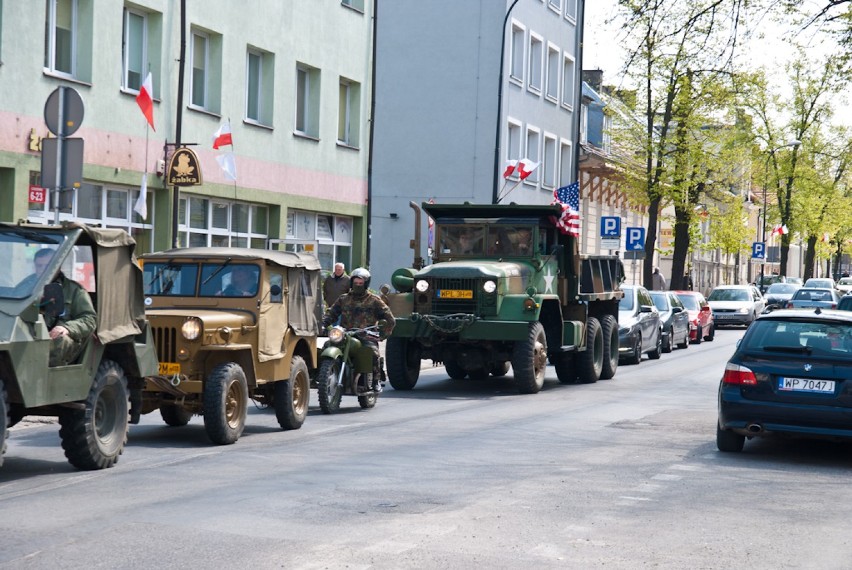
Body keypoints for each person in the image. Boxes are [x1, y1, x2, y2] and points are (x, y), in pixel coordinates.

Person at [322, 268, 395, 391]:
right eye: (355, 283)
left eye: (360, 283)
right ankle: (323, 376)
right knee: (326, 346)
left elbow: (390, 319)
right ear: (351, 283)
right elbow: (332, 313)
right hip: (345, 334)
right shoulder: (344, 299)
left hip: (365, 335)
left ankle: (375, 380)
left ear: (366, 284)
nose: (358, 285)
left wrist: (382, 335)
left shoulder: (374, 300)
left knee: (372, 353)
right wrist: (323, 324)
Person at [27, 250, 97, 367]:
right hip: (30, 333)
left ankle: (45, 380)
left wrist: (67, 328)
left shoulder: (74, 291)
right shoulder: (26, 286)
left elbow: (90, 319)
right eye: (40, 266)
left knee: (59, 340)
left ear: (58, 267)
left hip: (59, 338)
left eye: (48, 266)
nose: (44, 269)